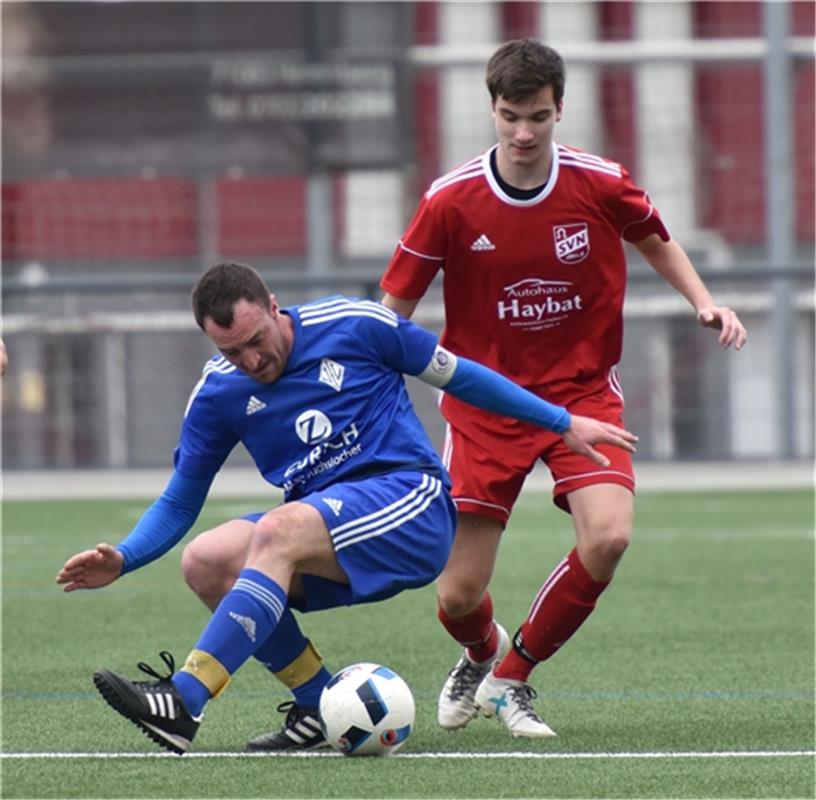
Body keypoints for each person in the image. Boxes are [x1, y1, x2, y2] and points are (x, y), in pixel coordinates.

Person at [55, 261, 637, 755]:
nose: (252, 360)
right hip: (328, 527)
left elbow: (462, 376)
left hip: (411, 505)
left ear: (275, 306)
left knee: (278, 531)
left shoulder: (357, 324)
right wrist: (125, 557)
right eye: (232, 352)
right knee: (206, 560)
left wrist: (561, 421)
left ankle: (184, 700)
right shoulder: (218, 392)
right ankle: (317, 706)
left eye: (257, 340)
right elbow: (182, 499)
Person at [380, 38, 748, 739]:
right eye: (511, 116)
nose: (523, 133)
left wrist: (704, 300)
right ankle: (481, 653)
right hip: (486, 403)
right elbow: (392, 308)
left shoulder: (600, 182)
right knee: (458, 594)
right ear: (491, 108)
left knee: (609, 536)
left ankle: (511, 679)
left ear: (560, 112)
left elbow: (656, 239)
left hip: (582, 396)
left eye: (538, 118)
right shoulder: (450, 200)